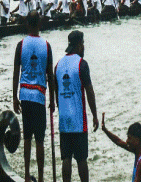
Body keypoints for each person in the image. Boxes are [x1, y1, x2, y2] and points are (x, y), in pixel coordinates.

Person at [13, 11, 55, 182]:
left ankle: (26, 175)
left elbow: (16, 73)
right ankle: (40, 177)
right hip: (39, 96)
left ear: (27, 24)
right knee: (39, 140)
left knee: (27, 137)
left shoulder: (20, 45)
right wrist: (52, 99)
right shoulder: (46, 45)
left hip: (24, 95)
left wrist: (14, 97)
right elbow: (50, 75)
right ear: (39, 24)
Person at [55, 30, 98, 182]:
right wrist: (95, 116)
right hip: (78, 120)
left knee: (66, 157)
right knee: (81, 158)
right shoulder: (81, 64)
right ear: (79, 45)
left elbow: (56, 94)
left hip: (64, 118)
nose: (84, 47)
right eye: (83, 44)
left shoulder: (58, 65)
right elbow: (90, 93)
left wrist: (61, 112)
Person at [102, 116, 141, 182]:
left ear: (137, 140)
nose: (127, 141)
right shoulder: (139, 150)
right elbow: (118, 141)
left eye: (129, 138)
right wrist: (105, 130)